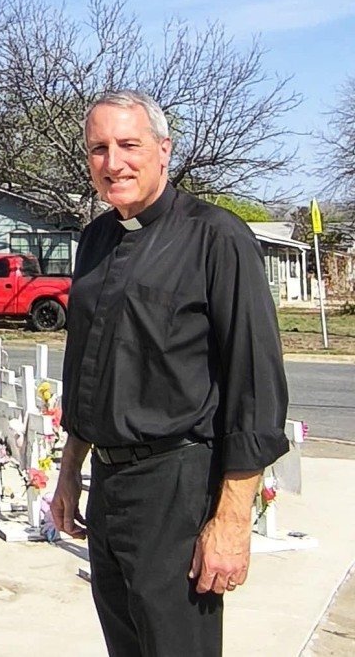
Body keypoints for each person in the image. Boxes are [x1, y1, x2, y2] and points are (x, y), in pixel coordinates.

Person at [51, 90, 289, 657]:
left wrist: (231, 521)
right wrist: (70, 472)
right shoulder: (96, 239)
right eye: (98, 149)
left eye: (129, 144)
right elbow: (88, 364)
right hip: (110, 487)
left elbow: (253, 385)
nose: (114, 163)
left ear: (164, 150)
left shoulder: (218, 237)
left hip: (178, 483)